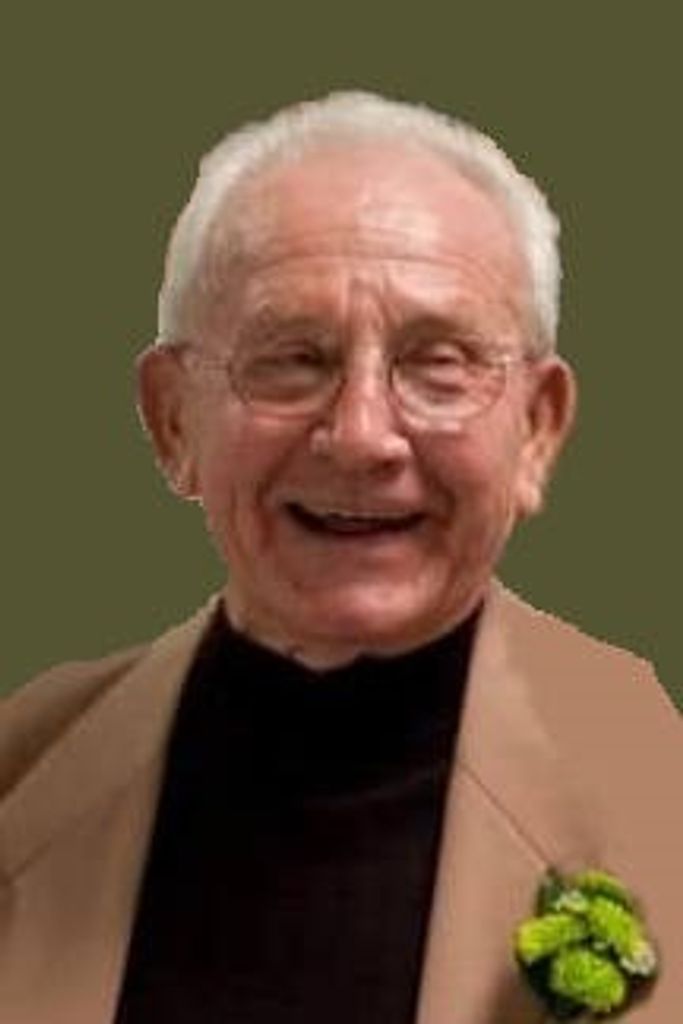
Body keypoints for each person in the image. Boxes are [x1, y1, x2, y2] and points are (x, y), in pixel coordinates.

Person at [1, 92, 680, 1024]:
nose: (361, 436)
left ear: (535, 430)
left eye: (438, 363)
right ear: (173, 420)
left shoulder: (662, 788)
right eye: (292, 358)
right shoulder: (23, 771)